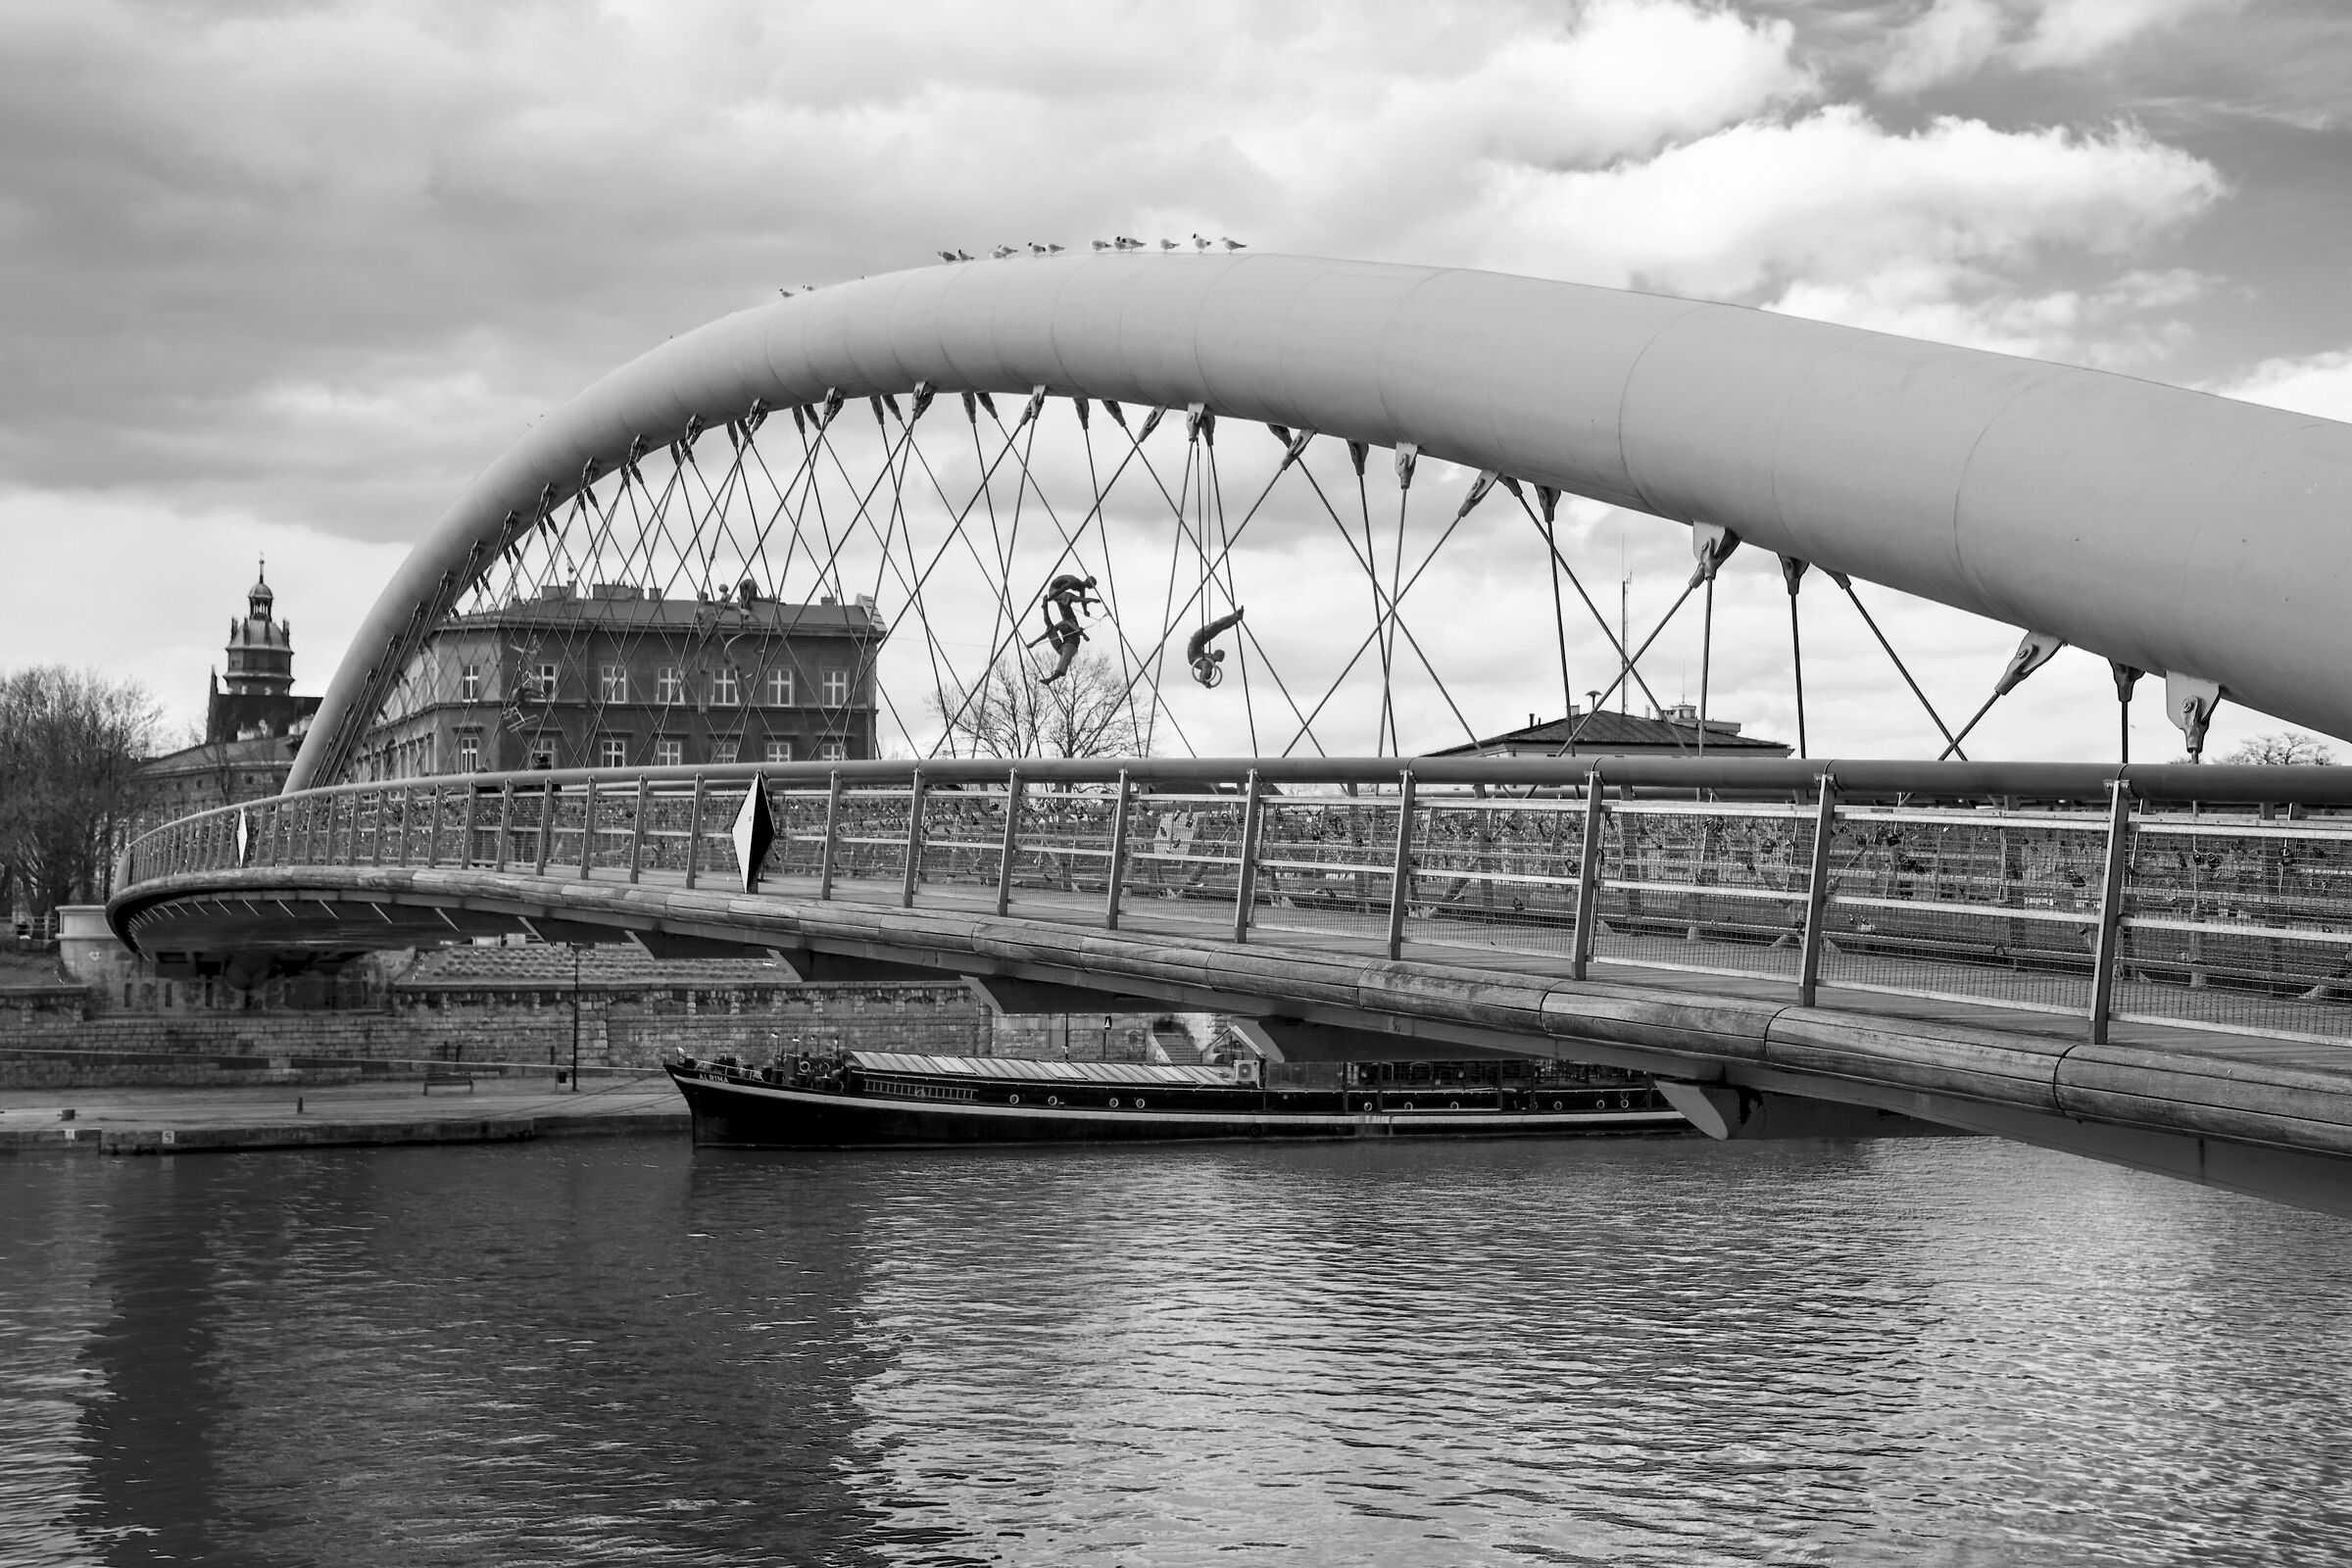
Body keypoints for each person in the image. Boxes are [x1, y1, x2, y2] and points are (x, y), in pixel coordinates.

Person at [1031, 573, 1101, 684]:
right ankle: (1044, 607)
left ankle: (1050, 679)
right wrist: (1050, 599)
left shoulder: (1067, 620)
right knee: (1052, 626)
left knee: (1051, 628)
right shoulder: (1072, 585)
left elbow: (1081, 601)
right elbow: (1068, 592)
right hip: (1055, 592)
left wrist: (1085, 610)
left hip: (1063, 647)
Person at [1188, 607, 1245, 687]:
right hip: (1196, 646)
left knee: (1217, 627)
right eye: (1222, 656)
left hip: (1195, 646)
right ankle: (1235, 617)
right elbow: (1203, 676)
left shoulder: (1208, 664)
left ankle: (1235, 617)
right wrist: (1206, 683)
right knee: (1218, 627)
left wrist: (1205, 682)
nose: (1222, 657)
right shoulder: (1209, 663)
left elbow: (1203, 676)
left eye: (1222, 656)